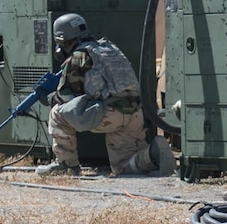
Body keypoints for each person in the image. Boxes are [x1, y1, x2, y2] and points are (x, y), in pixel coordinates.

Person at [33, 13, 173, 178]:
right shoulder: (108, 48)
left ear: (63, 40)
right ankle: (153, 152)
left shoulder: (79, 56)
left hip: (110, 113)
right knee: (122, 167)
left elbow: (65, 97)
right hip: (135, 113)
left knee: (57, 113)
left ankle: (66, 165)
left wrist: (49, 98)